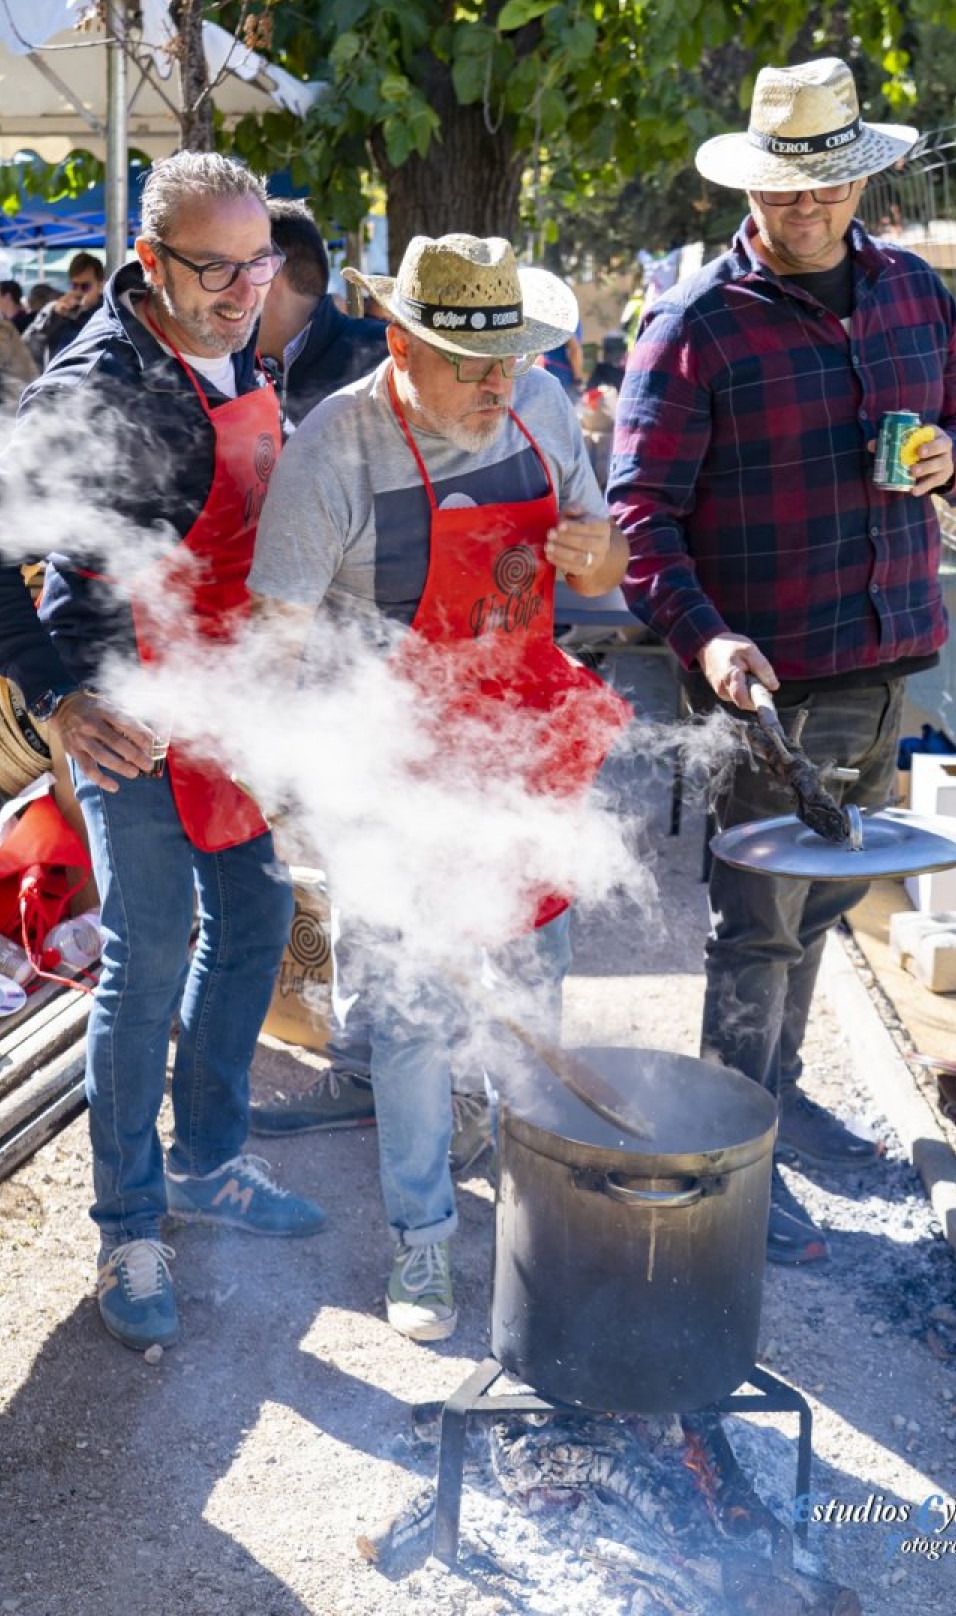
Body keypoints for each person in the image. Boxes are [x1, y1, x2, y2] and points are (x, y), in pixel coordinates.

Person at [607, 57, 956, 1265]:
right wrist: (705, 634)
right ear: (754, 187)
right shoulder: (695, 326)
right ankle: (735, 1148)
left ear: (861, 178)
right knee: (759, 923)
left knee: (829, 897)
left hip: (885, 657)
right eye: (786, 188)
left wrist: (953, 458)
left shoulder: (915, 296)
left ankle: (775, 1091)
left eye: (827, 184)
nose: (806, 207)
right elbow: (640, 519)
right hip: (767, 683)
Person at [0, 152, 324, 1353]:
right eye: (214, 268)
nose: (242, 289)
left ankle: (209, 1163)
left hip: (233, 703)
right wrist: (55, 702)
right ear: (152, 262)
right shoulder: (96, 388)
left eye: (259, 264)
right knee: (148, 956)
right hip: (125, 712)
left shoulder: (244, 349)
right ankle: (128, 1227)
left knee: (256, 927)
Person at [248, 232, 630, 1341]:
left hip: (524, 741)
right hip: (393, 764)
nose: (500, 381)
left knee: (535, 969)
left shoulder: (542, 403)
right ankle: (422, 1246)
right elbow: (276, 642)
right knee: (414, 1010)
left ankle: (534, 1212)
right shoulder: (335, 448)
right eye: (474, 362)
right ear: (403, 343)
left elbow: (603, 549)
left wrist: (588, 558)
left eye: (512, 355)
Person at [255, 198, 389, 428]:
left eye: (238, 269)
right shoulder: (237, 374)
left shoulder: (388, 357)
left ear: (267, 274)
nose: (224, 293)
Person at [24, 252, 105, 367]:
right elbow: (29, 344)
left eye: (85, 286)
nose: (78, 292)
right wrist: (54, 315)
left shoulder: (108, 316)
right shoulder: (55, 311)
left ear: (100, 285)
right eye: (74, 286)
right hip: (55, 380)